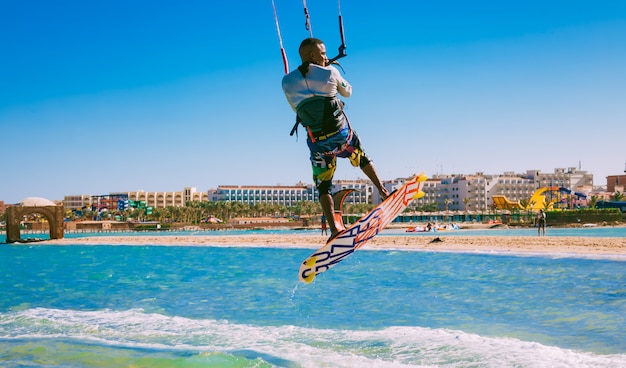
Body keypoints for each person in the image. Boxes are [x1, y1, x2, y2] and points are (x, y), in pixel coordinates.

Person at [282, 37, 389, 239]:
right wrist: (329, 71)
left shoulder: (286, 81)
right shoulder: (331, 72)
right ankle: (383, 191)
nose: (326, 57)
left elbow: (295, 108)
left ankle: (334, 229)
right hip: (341, 136)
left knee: (323, 184)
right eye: (323, 53)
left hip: (318, 143)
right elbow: (347, 92)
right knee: (360, 156)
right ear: (313, 55)